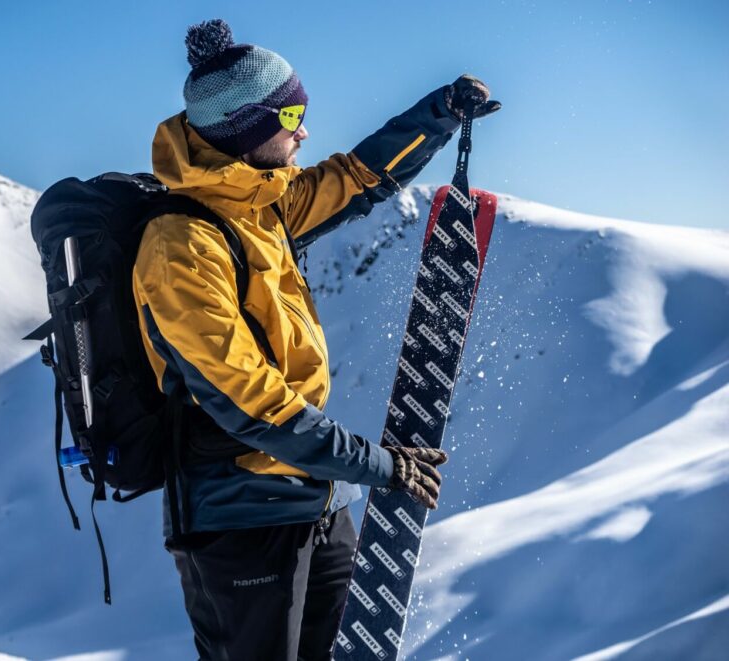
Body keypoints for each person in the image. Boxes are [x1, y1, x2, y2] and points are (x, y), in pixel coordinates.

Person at [132, 18, 500, 661]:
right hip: (239, 521)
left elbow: (357, 177)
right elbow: (252, 403)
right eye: (292, 114)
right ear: (247, 129)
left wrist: (438, 114)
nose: (304, 129)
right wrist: (377, 465)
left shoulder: (262, 203)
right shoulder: (181, 247)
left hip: (315, 500)